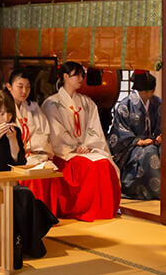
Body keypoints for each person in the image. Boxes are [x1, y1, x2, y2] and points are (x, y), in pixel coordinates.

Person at [0, 89, 57, 271]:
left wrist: (13, 140)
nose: (5, 117)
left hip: (9, 183)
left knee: (24, 195)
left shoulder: (14, 131)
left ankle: (21, 244)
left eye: (8, 113)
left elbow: (19, 163)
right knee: (9, 199)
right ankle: (8, 246)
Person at [43, 61, 120, 221]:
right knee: (89, 167)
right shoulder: (52, 103)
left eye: (81, 75)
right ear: (65, 76)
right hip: (64, 153)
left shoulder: (87, 102)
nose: (80, 78)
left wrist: (87, 145)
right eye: (76, 74)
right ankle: (86, 209)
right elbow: (56, 132)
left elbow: (94, 128)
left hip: (86, 148)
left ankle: (104, 210)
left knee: (104, 163)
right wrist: (75, 147)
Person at [108, 72, 162, 200]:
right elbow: (119, 131)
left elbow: (164, 123)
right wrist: (139, 142)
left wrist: (160, 136)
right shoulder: (125, 105)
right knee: (150, 153)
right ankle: (151, 190)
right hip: (131, 146)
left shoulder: (157, 102)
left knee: (165, 151)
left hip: (154, 142)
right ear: (150, 90)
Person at [7, 68, 53, 166]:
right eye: (20, 87)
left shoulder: (34, 107)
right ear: (9, 87)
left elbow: (44, 132)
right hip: (13, 158)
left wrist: (35, 151)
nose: (24, 91)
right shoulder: (3, 108)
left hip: (35, 155)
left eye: (28, 87)